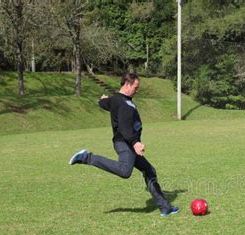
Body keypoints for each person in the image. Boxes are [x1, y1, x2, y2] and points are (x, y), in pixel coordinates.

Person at [69, 72, 179, 217]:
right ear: (127, 85)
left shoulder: (117, 100)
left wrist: (102, 101)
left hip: (127, 143)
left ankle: (165, 207)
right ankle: (86, 157)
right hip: (125, 143)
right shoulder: (123, 103)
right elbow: (125, 128)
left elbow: (105, 103)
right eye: (135, 87)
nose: (137, 90)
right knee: (125, 171)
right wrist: (135, 143)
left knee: (149, 170)